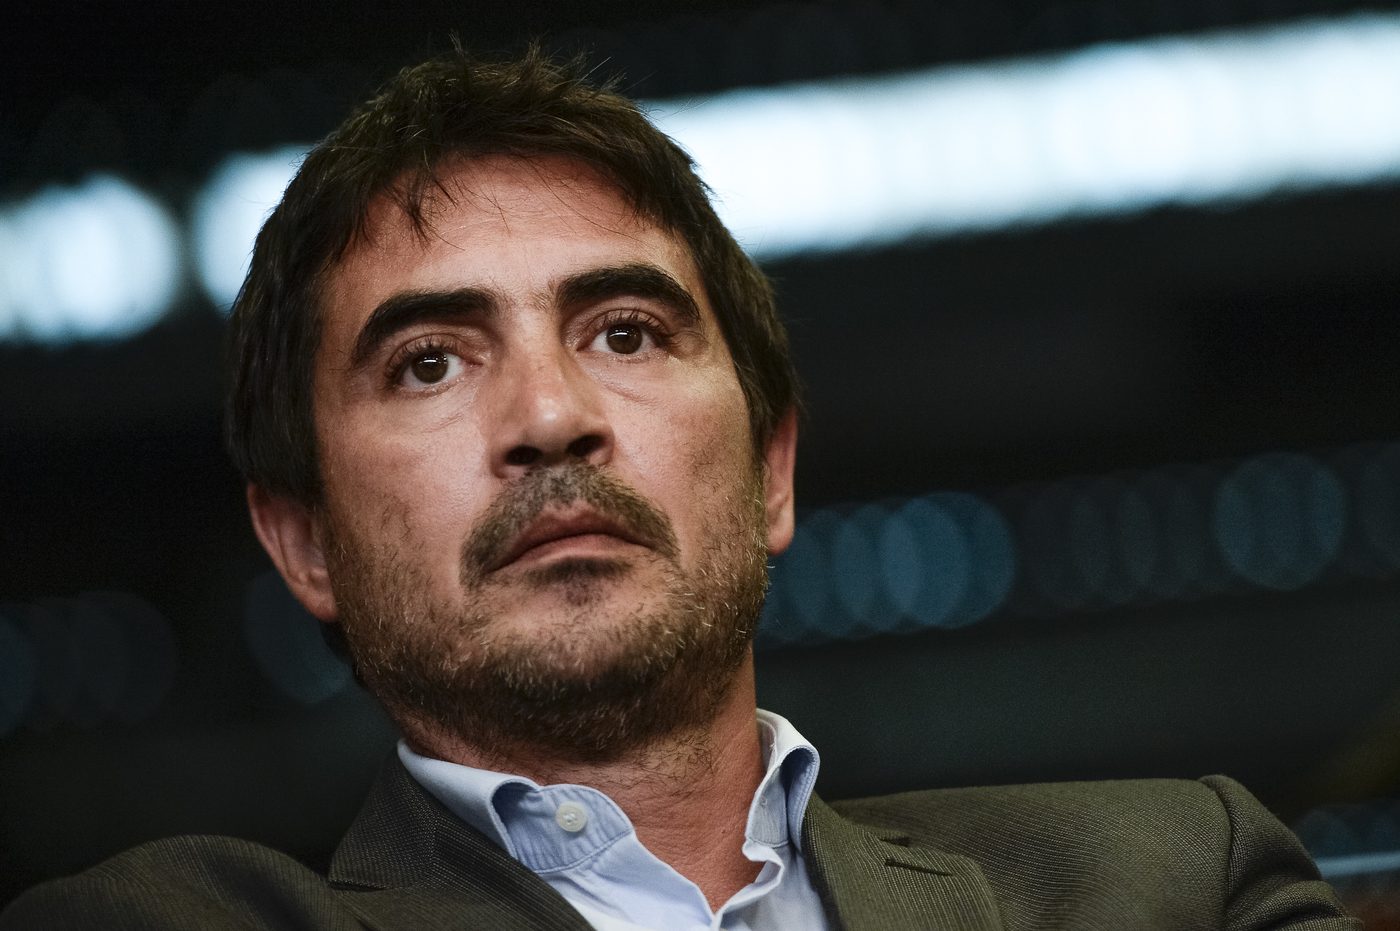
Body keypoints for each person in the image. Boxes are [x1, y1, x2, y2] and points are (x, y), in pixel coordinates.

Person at [1, 46, 1356, 931]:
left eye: (626, 333)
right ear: (303, 543)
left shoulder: (1174, 882)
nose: (550, 419)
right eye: (429, 363)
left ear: (770, 468)